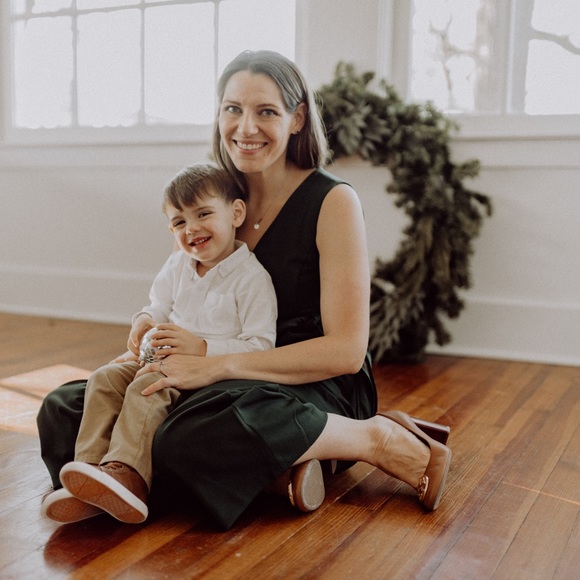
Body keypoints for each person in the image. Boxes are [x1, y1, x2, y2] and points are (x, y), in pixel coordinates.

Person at [38, 50, 452, 531]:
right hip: (214, 375)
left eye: (266, 112)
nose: (245, 127)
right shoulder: (210, 196)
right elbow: (180, 292)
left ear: (298, 119)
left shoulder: (333, 200)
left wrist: (213, 364)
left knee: (186, 435)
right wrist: (151, 339)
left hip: (309, 378)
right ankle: (279, 473)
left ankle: (371, 438)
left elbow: (345, 352)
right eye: (232, 109)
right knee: (66, 409)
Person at [42, 163, 277, 524]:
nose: (191, 228)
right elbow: (157, 305)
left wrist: (202, 348)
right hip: (156, 358)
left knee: (147, 387)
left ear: (236, 213)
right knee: (104, 378)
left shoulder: (251, 278)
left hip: (202, 373)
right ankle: (89, 472)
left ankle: (129, 476)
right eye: (179, 222)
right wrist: (144, 320)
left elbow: (261, 346)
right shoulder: (178, 265)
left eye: (203, 214)